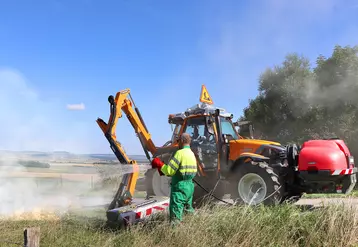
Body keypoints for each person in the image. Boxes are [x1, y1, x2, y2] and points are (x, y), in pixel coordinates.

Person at [151, 132, 198, 224]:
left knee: (175, 213)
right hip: (189, 187)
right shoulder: (191, 154)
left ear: (181, 141)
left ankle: (175, 233)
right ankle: (192, 227)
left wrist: (159, 164)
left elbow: (169, 171)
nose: (177, 143)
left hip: (179, 187)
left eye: (178, 141)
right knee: (188, 210)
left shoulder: (179, 153)